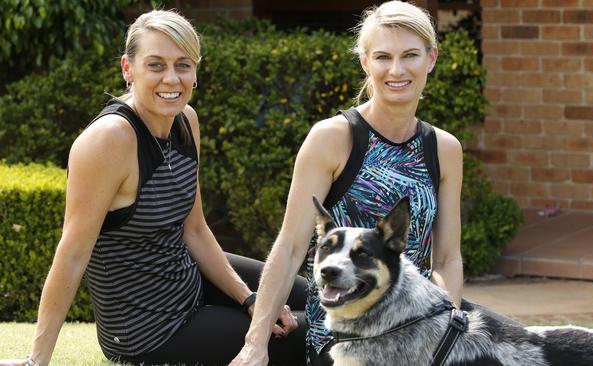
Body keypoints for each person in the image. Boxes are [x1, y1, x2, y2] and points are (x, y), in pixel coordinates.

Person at [0, 9, 307, 366]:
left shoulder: (186, 121)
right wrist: (37, 360)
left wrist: (249, 298)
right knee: (321, 332)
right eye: (156, 65)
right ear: (127, 70)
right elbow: (72, 256)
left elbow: (194, 230)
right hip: (149, 330)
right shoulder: (108, 141)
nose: (172, 79)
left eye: (183, 65)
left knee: (319, 301)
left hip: (186, 279)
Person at [231, 2, 470, 365]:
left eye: (410, 56)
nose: (396, 70)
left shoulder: (444, 148)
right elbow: (291, 248)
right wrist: (256, 342)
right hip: (344, 337)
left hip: (416, 327)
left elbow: (448, 258)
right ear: (365, 62)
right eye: (383, 57)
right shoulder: (332, 138)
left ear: (431, 58)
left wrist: (442, 333)